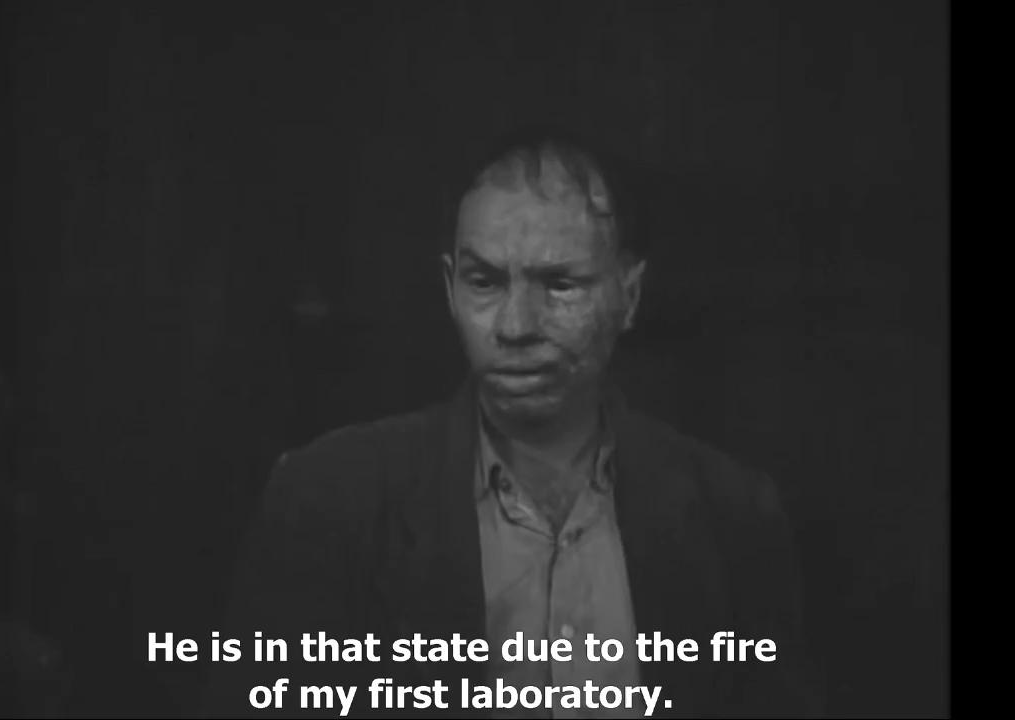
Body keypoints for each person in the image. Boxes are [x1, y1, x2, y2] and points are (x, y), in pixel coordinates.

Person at [200, 129, 821, 718]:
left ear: (628, 296)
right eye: (485, 282)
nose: (517, 325)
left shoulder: (733, 513)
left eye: (560, 284)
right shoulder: (328, 500)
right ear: (450, 288)